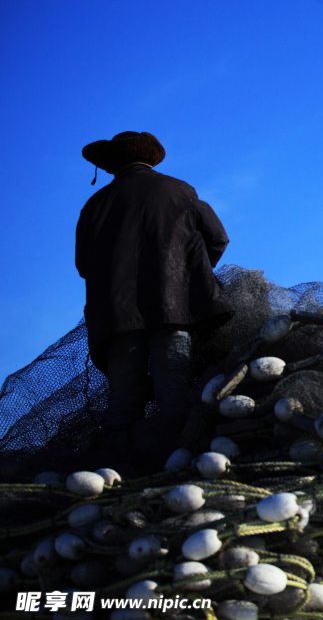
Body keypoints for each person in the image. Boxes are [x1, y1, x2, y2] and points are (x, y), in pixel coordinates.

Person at [76, 131, 233, 468]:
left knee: (122, 403)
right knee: (173, 391)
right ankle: (174, 466)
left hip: (117, 320)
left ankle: (116, 472)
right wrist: (186, 274)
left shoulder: (95, 204)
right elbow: (217, 239)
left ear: (114, 164)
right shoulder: (180, 191)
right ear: (152, 158)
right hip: (174, 311)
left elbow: (83, 265)